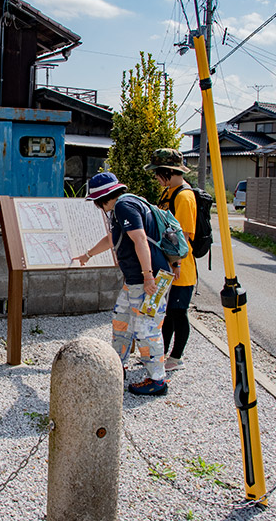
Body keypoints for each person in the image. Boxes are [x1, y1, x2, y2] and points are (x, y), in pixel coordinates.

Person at [72, 171, 173, 396]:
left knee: (146, 329)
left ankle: (157, 380)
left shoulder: (123, 207)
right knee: (122, 322)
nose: (98, 207)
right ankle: (118, 365)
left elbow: (139, 240)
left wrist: (148, 276)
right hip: (135, 281)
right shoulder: (127, 205)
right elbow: (113, 239)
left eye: (97, 203)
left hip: (149, 280)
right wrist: (87, 255)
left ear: (103, 198)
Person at [145, 148, 197, 372]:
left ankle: (176, 357)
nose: (156, 177)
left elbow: (182, 236)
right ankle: (161, 353)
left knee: (178, 312)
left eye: (158, 172)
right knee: (164, 312)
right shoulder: (168, 192)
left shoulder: (184, 196)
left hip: (181, 267)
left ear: (167, 171)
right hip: (168, 264)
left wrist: (176, 264)